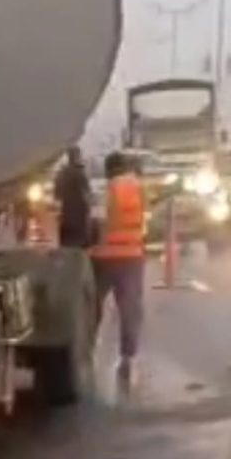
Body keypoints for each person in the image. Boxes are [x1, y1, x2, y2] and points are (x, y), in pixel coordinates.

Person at [90, 151, 146, 387]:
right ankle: (128, 357)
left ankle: (88, 349)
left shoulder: (105, 190)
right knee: (130, 309)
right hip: (133, 256)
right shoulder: (138, 188)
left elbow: (97, 222)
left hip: (104, 258)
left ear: (109, 170)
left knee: (93, 306)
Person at [53, 146, 92, 247]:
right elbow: (87, 194)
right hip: (80, 219)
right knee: (81, 248)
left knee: (66, 247)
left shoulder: (61, 174)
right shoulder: (80, 173)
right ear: (77, 156)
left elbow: (57, 195)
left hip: (66, 218)